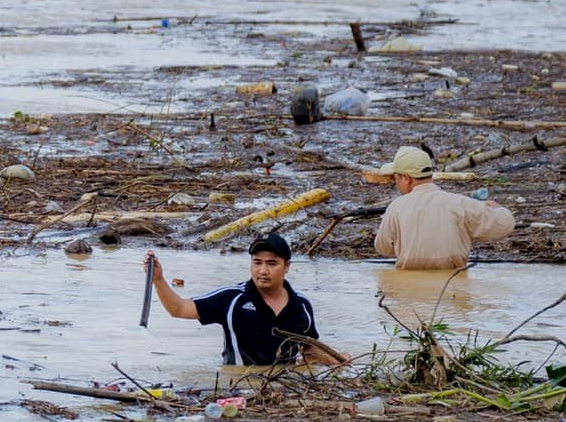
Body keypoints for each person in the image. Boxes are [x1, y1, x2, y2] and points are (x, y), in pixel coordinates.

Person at [145, 235, 347, 367]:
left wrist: (339, 360)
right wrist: (158, 279)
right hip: (238, 385)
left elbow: (309, 348)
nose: (263, 271)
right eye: (257, 262)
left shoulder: (301, 305)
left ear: (287, 267)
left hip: (287, 386)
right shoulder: (232, 298)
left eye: (271, 263)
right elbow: (178, 309)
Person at [369, 145, 515, 270]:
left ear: (406, 178)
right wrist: (497, 208)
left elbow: (383, 248)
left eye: (396, 178)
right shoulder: (460, 204)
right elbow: (505, 225)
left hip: (408, 295)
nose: (396, 183)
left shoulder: (396, 207)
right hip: (453, 287)